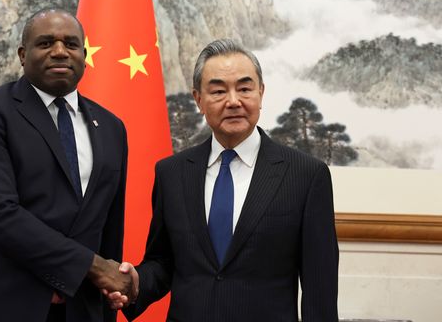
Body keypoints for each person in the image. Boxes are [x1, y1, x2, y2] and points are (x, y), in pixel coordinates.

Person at [108, 39, 339, 321]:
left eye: (244, 88)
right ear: (199, 100)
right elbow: (164, 262)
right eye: (218, 91)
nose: (233, 101)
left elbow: (320, 287)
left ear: (261, 93)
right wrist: (135, 283)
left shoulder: (305, 175)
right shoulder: (172, 172)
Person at [0, 9, 133, 322]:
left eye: (71, 44)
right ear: (23, 55)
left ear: (84, 55)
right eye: (46, 43)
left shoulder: (111, 127)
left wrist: (111, 287)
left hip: (78, 310)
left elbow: (108, 225)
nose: (60, 51)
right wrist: (93, 267)